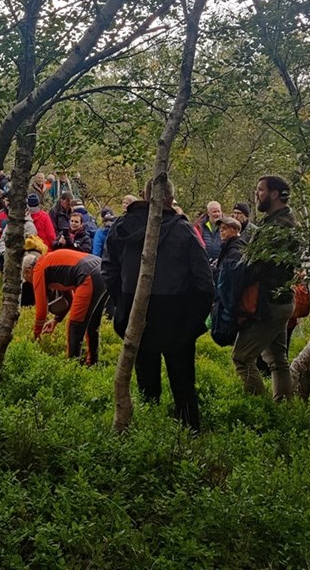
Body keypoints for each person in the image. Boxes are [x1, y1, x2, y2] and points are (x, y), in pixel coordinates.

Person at [102, 177, 214, 431]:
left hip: (137, 314)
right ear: (170, 199)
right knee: (183, 382)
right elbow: (204, 282)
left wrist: (122, 305)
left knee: (146, 380)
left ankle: (149, 430)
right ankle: (189, 433)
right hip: (177, 318)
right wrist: (195, 320)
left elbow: (108, 270)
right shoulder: (183, 230)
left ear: (144, 195)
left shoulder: (122, 225)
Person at [231, 175, 300, 401]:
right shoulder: (278, 221)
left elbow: (257, 266)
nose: (256, 194)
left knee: (242, 357)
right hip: (281, 301)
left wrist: (235, 275)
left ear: (274, 194)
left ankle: (261, 410)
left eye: (260, 190)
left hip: (269, 303)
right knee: (278, 360)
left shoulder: (279, 226)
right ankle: (283, 406)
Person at [24, 249, 107, 365]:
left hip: (88, 275)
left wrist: (36, 336)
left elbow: (41, 311)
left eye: (26, 279)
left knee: (74, 326)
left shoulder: (38, 269)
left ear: (28, 271)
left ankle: (72, 370)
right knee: (92, 324)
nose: (29, 283)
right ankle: (93, 363)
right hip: (102, 269)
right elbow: (70, 299)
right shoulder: (49, 263)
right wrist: (56, 320)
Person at [210, 214, 247, 346]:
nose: (221, 230)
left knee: (240, 353)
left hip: (232, 307)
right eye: (220, 228)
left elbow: (229, 285)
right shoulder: (228, 248)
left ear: (236, 230)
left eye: (225, 228)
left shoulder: (235, 252)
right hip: (231, 304)